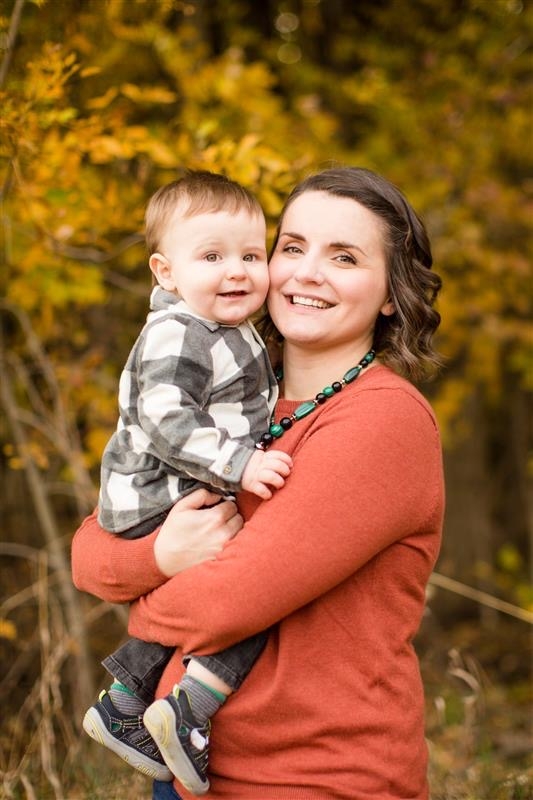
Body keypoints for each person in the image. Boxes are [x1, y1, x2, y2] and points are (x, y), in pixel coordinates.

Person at [72, 165, 445, 800]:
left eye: (345, 257)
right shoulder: (231, 399)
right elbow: (88, 551)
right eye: (293, 247)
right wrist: (163, 554)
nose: (306, 272)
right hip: (187, 775)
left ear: (389, 293)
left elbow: (224, 602)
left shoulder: (382, 420)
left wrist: (139, 587)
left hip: (316, 778)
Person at [82, 170, 292, 794]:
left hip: (167, 494)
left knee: (226, 579)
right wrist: (241, 465)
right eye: (212, 256)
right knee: (253, 583)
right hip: (158, 493)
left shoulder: (227, 330)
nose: (237, 270)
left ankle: (125, 700)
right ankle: (193, 705)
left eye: (251, 256)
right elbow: (167, 418)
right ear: (165, 272)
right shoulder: (180, 331)